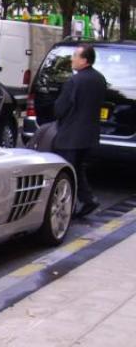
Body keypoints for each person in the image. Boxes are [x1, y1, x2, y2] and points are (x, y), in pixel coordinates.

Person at [52, 43, 107, 218]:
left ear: (84, 60)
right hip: (89, 134)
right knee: (78, 168)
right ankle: (88, 199)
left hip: (70, 136)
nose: (72, 59)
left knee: (66, 171)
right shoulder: (99, 79)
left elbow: (60, 109)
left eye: (75, 55)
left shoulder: (74, 81)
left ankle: (69, 205)